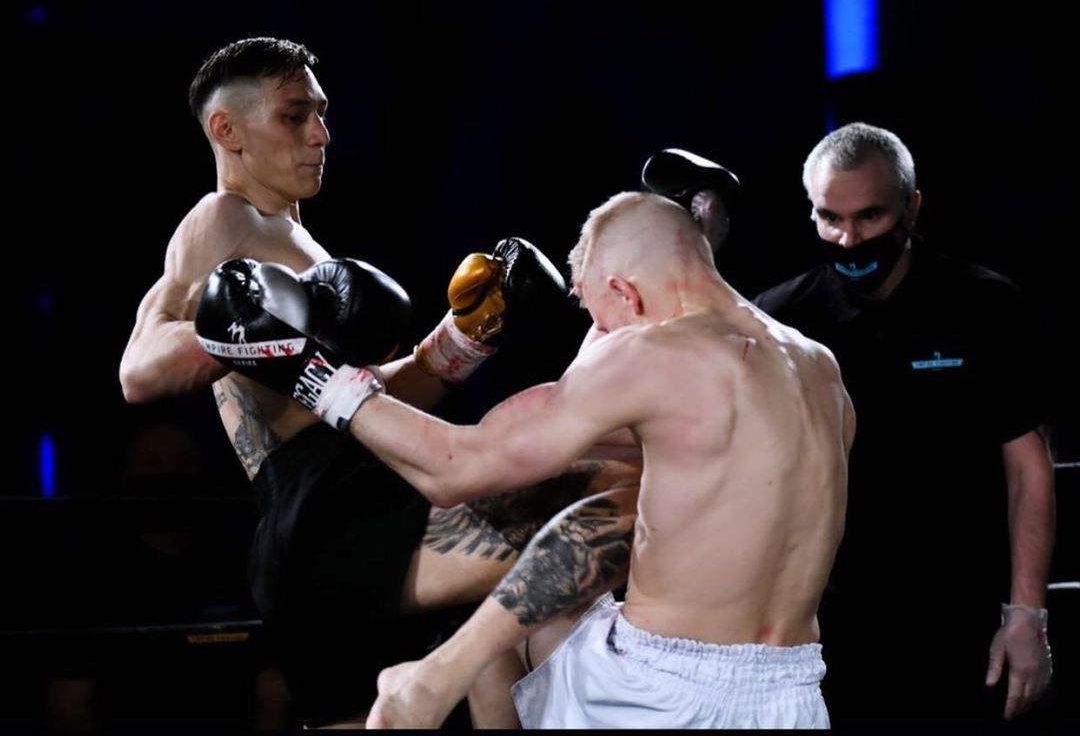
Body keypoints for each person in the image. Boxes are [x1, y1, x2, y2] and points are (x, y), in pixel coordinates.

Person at [201, 190, 854, 728]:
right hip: (794, 694)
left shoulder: (652, 354)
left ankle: (430, 680)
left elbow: (457, 468)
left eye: (597, 313)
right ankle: (439, 674)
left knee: (564, 557)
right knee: (592, 526)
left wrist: (309, 373)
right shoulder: (820, 371)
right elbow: (650, 448)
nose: (598, 336)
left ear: (625, 292)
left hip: (656, 693)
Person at [118, 36, 616, 728]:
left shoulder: (298, 242)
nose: (320, 134)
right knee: (595, 506)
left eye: (321, 114)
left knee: (467, 653)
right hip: (323, 514)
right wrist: (247, 323)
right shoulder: (223, 218)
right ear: (226, 130)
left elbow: (358, 402)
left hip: (359, 492)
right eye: (295, 116)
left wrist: (466, 335)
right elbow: (138, 371)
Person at [752, 121, 1056, 726]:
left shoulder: (985, 304)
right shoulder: (779, 321)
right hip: (824, 628)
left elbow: (1029, 469)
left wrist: (1027, 615)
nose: (848, 239)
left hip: (958, 619)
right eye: (829, 218)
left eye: (870, 216)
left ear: (912, 207)